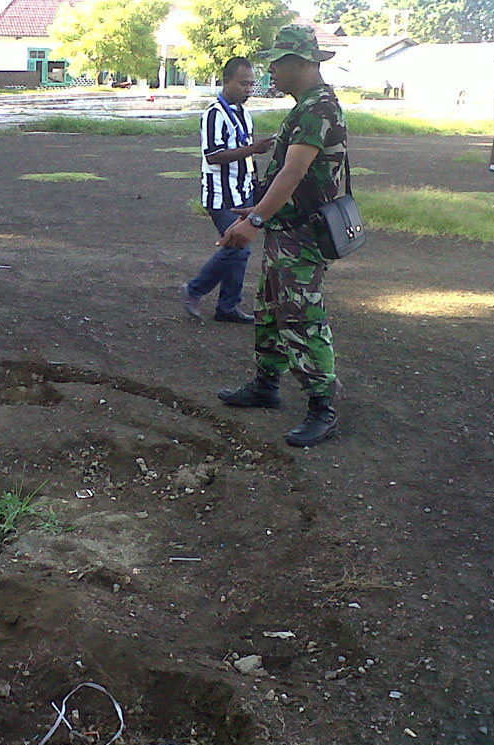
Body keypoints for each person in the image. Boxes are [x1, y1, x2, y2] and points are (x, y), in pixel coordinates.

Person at [215, 25, 347, 448]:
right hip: (287, 229)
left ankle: (322, 408)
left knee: (303, 317)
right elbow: (285, 173)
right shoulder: (307, 104)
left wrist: (253, 223)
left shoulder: (317, 109)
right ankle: (266, 386)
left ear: (303, 64)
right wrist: (258, 211)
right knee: (271, 309)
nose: (271, 69)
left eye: (279, 62)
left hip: (302, 234)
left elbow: (294, 172)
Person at [179, 57, 274, 324]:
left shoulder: (244, 114)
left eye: (251, 84)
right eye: (243, 84)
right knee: (239, 247)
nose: (248, 89)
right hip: (220, 195)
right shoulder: (214, 114)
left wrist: (255, 183)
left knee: (240, 250)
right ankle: (194, 290)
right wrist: (253, 149)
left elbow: (243, 155)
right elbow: (213, 156)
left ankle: (228, 307)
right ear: (227, 81)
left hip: (242, 191)